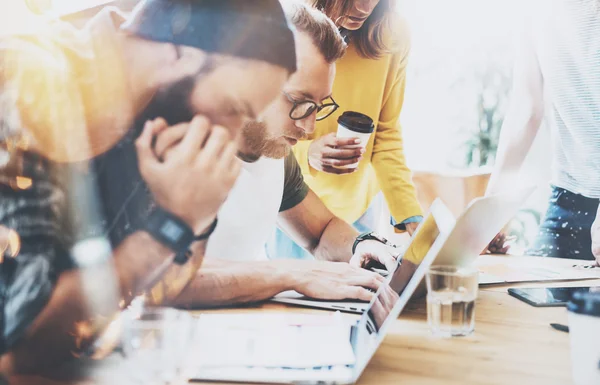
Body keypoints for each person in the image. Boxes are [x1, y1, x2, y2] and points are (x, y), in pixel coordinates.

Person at [0, 0, 296, 374]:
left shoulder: (155, 115)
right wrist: (172, 224)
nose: (232, 138)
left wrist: (199, 219)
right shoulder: (25, 82)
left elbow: (158, 294)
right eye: (233, 108)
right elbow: (23, 349)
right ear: (178, 54)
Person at [144, 1, 397, 308]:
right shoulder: (171, 144)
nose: (309, 127)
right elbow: (161, 275)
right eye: (299, 101)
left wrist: (364, 245)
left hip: (246, 332)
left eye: (318, 106)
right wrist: (289, 273)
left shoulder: (275, 151)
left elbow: (321, 233)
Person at [271, 0, 423, 260]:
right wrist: (308, 153)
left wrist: (411, 217)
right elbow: (261, 133)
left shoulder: (393, 35)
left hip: (356, 211)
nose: (365, 6)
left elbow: (386, 135)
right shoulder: (288, 26)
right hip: (293, 205)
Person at [486, 0, 600, 261]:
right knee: (525, 295)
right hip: (569, 197)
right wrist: (492, 207)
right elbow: (526, 109)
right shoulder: (533, 10)